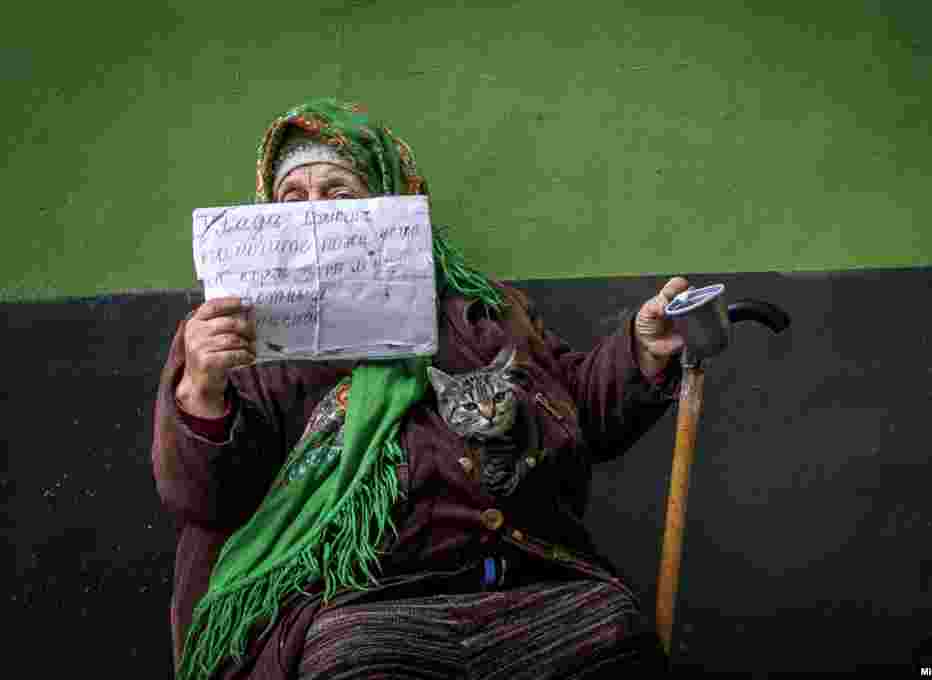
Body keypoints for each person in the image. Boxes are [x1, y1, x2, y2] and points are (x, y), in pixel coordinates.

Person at [152, 98, 691, 680]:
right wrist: (202, 391)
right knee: (357, 661)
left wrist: (639, 352)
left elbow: (574, 407)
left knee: (615, 631)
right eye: (293, 199)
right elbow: (203, 500)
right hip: (359, 602)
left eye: (340, 194)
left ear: (390, 198)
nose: (315, 217)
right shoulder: (239, 337)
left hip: (519, 578)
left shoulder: (481, 309)